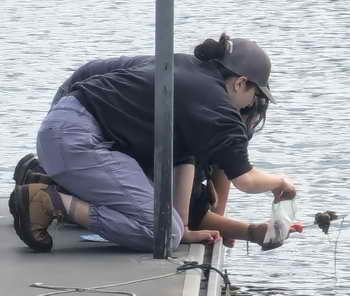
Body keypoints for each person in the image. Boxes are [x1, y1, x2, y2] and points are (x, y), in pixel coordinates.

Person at [9, 32, 296, 253]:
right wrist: (280, 182)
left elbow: (182, 159)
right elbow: (244, 180)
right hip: (77, 139)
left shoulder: (189, 73)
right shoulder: (217, 106)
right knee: (162, 233)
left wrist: (183, 227)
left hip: (67, 127)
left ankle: (53, 179)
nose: (251, 105)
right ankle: (50, 200)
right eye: (255, 95)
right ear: (240, 82)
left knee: (171, 228)